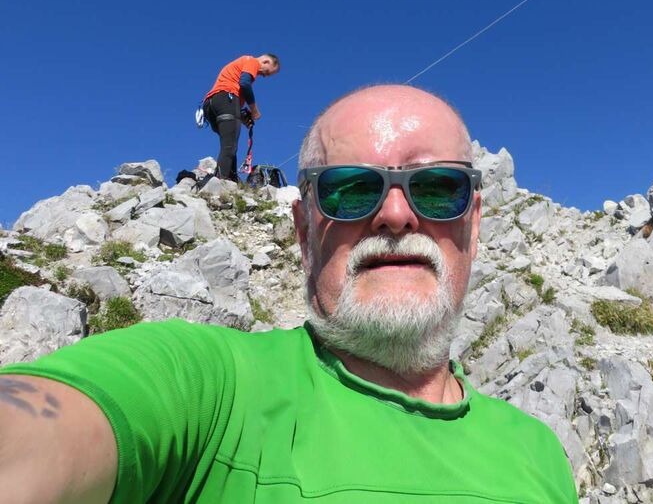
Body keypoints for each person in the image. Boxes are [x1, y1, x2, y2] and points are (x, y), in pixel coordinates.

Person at [0, 85, 578, 503]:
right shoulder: (212, 388)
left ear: (473, 224)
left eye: (437, 187)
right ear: (303, 232)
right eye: (351, 190)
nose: (396, 215)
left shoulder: (539, 453)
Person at [202, 53, 281, 181]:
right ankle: (220, 182)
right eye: (266, 73)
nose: (263, 76)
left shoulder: (240, 65)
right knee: (230, 146)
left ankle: (231, 180)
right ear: (266, 62)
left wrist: (240, 116)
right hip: (226, 98)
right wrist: (254, 110)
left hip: (211, 105)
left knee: (229, 143)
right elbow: (244, 83)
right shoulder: (252, 61)